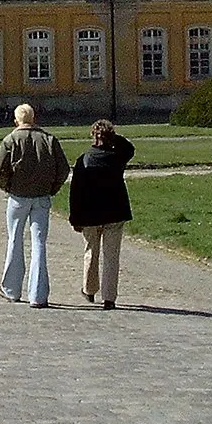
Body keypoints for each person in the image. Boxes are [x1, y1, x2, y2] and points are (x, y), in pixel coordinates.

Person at [0, 102, 68, 307]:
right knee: (39, 244)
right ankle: (38, 295)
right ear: (33, 119)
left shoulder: (10, 140)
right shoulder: (49, 139)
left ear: (16, 121)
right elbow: (63, 169)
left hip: (18, 197)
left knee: (15, 240)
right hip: (42, 196)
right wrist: (52, 187)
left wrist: (7, 187)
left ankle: (11, 289)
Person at [68, 119, 134, 309]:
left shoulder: (84, 159)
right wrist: (112, 137)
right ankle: (109, 297)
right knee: (112, 255)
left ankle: (89, 290)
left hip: (90, 213)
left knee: (91, 251)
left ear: (92, 136)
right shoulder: (117, 155)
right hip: (115, 211)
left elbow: (76, 191)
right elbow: (130, 148)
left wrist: (75, 217)